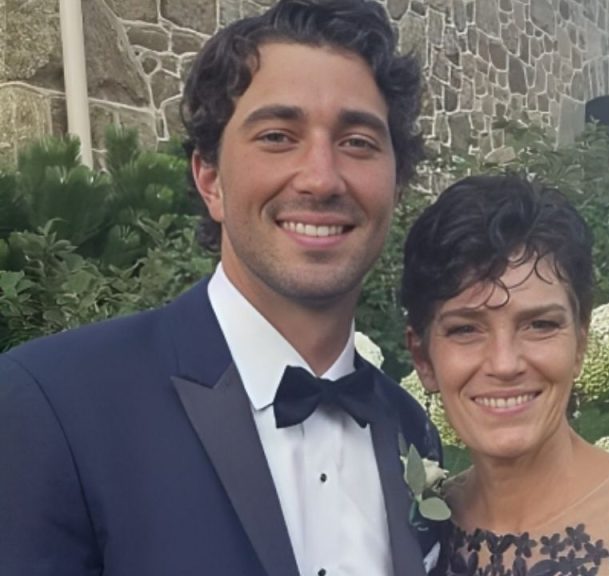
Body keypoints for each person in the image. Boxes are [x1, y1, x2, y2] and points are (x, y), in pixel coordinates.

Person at [0, 1, 443, 575]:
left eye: (357, 141)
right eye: (279, 136)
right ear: (209, 179)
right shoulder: (56, 405)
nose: (321, 177)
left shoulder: (412, 430)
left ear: (396, 182)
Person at [400, 174, 609, 575]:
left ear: (579, 344)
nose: (504, 363)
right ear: (423, 358)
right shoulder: (420, 524)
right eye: (465, 329)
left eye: (540, 325)